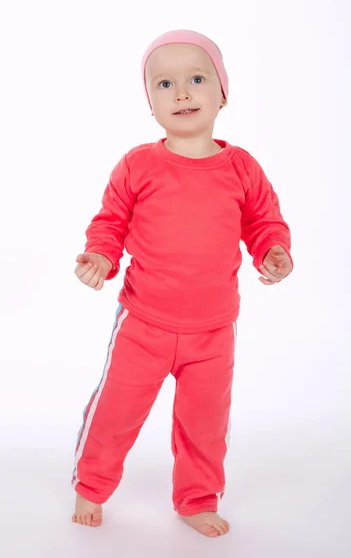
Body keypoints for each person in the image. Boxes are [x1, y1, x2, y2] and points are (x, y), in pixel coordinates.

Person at [70, 29, 293, 538]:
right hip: (143, 323)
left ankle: (195, 498)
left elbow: (264, 222)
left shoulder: (241, 168)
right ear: (149, 103)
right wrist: (101, 257)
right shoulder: (138, 165)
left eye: (197, 78)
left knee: (205, 426)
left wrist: (273, 252)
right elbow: (110, 222)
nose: (183, 93)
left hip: (213, 331)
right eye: (165, 84)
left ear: (223, 91)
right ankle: (91, 483)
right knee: (116, 414)